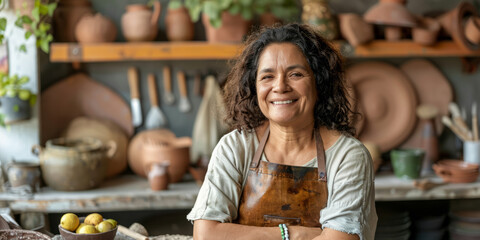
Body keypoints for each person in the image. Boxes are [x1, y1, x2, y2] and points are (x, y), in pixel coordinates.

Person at [187, 23, 377, 240]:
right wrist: (291, 233)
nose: (280, 86)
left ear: (319, 83)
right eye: (267, 77)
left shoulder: (348, 156)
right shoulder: (236, 147)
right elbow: (206, 235)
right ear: (254, 87)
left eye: (295, 74)